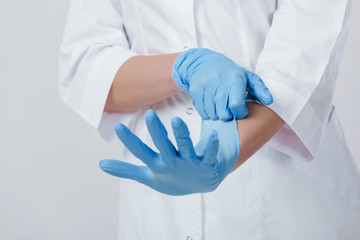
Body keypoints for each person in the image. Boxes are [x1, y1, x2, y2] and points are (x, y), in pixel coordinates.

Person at [59, 0, 360, 239]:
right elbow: (87, 65)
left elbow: (301, 62)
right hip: (159, 208)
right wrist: (182, 67)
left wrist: (225, 151)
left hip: (287, 199)